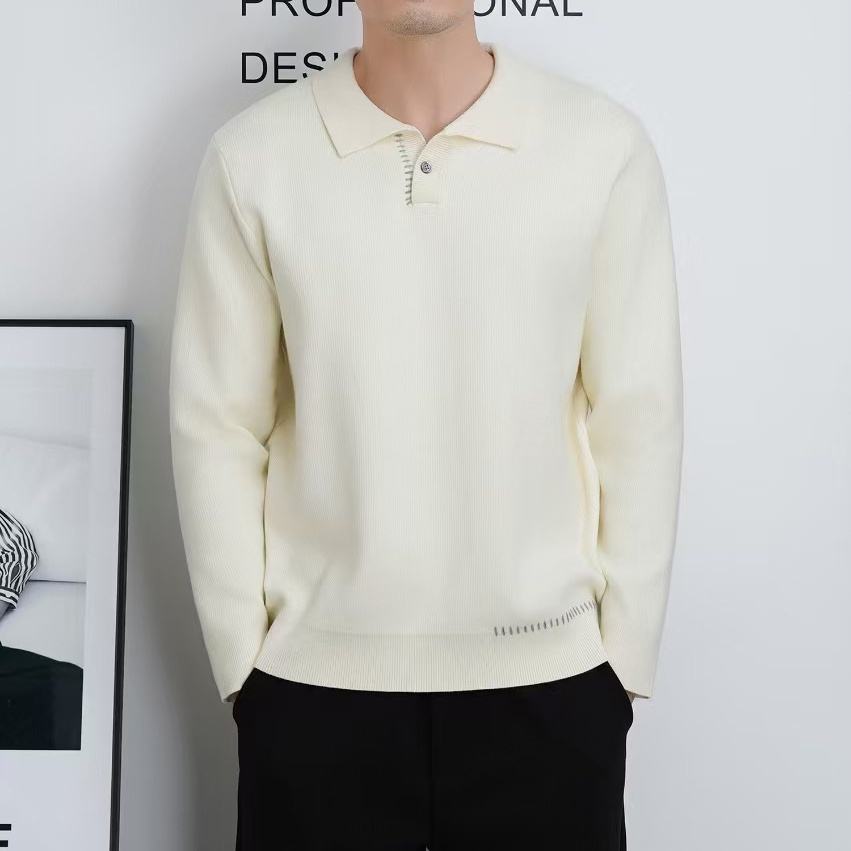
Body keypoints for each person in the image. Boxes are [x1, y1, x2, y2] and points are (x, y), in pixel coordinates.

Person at [169, 5, 684, 849]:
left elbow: (639, 415)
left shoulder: (600, 146)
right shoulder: (253, 157)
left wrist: (620, 662)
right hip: (310, 695)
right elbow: (217, 423)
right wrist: (244, 669)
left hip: (553, 688)